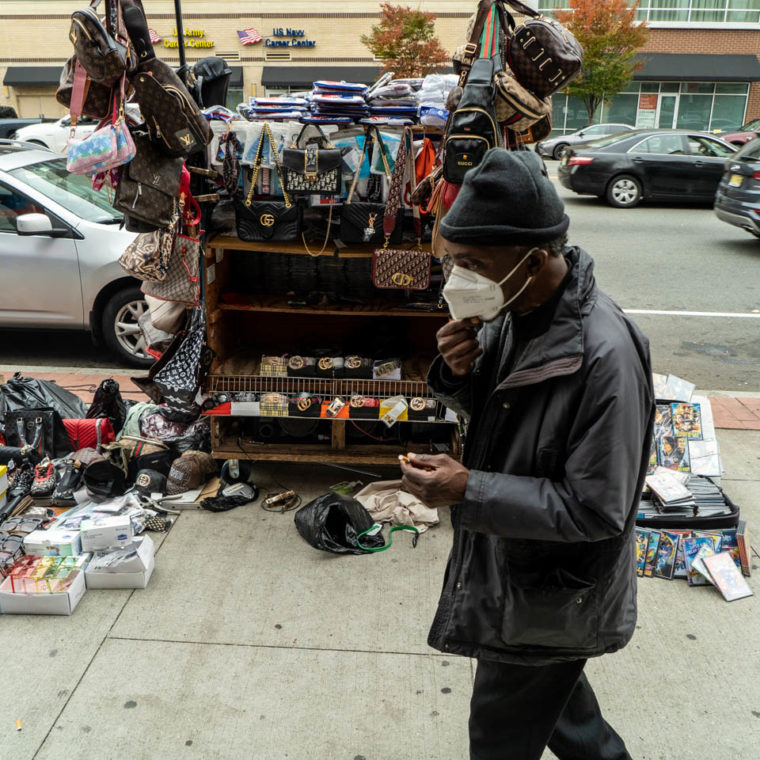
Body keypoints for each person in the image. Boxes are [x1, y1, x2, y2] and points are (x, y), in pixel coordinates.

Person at [399, 148, 654, 760]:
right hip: (522, 576)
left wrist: (468, 490)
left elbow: (598, 509)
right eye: (454, 262)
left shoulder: (604, 356)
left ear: (535, 259)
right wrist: (460, 376)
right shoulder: (514, 311)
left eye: (473, 264)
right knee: (571, 720)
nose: (459, 279)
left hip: (551, 591)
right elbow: (510, 426)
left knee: (499, 735)